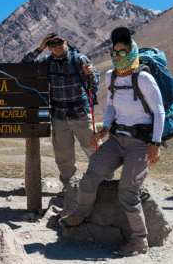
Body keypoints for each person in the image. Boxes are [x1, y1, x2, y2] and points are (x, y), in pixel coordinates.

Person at [58, 27, 165, 257]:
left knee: (127, 189)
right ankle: (79, 214)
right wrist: (105, 128)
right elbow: (110, 106)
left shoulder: (144, 77)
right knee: (92, 173)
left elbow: (159, 112)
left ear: (132, 51)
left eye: (122, 51)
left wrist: (155, 144)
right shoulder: (111, 76)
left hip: (141, 143)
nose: (118, 57)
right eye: (114, 53)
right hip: (117, 139)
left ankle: (139, 240)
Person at [21, 32, 101, 196]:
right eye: (52, 44)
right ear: (49, 47)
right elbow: (24, 65)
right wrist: (39, 49)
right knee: (63, 154)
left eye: (59, 43)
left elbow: (96, 81)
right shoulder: (46, 61)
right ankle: (69, 188)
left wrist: (91, 73)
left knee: (93, 149)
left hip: (81, 112)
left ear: (66, 43)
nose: (57, 47)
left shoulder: (79, 59)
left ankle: (103, 183)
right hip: (58, 115)